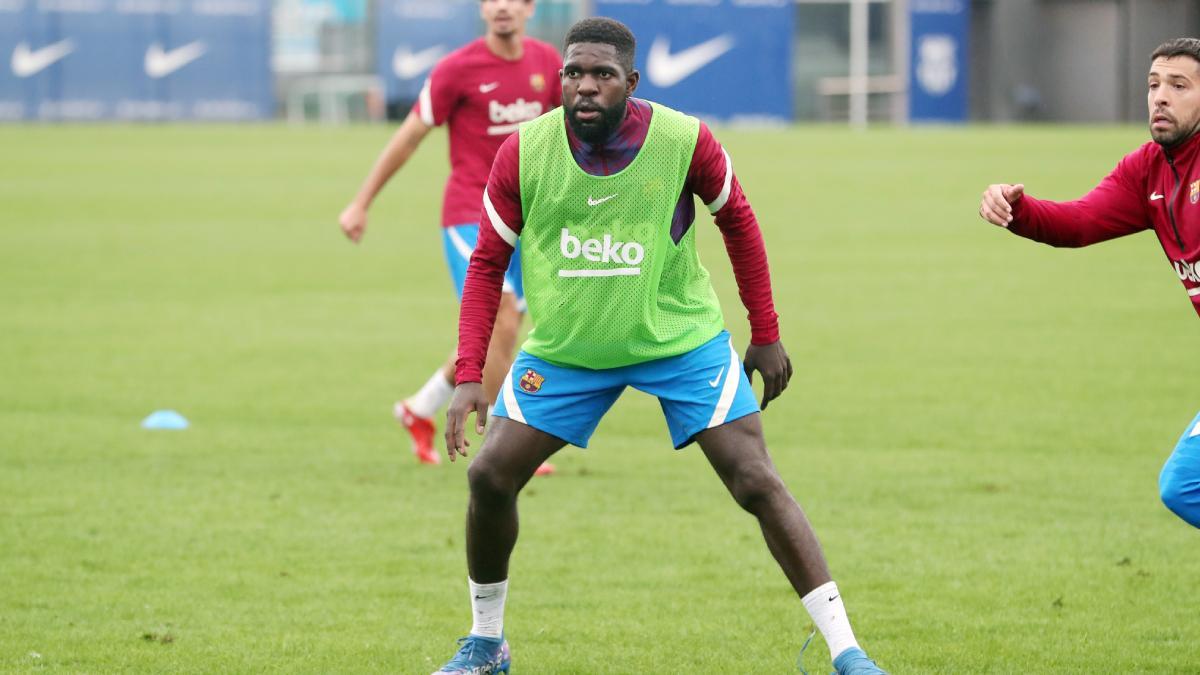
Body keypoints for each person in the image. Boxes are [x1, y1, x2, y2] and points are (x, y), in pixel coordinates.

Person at [431, 17, 887, 675]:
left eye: (602, 75)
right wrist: (470, 371)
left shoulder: (683, 139)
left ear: (631, 82)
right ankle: (485, 642)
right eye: (574, 74)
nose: (585, 88)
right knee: (488, 475)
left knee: (755, 478)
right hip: (569, 346)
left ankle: (848, 652)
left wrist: (765, 331)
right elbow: (485, 263)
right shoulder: (525, 151)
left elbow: (740, 222)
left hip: (678, 338)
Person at [978, 37, 1200, 529]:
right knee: (1184, 485)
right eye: (1153, 84)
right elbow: (1078, 222)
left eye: (1179, 86)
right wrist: (1019, 210)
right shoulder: (1146, 172)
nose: (1160, 96)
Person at [338, 0, 559, 474]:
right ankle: (509, 443)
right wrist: (361, 201)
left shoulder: (547, 65)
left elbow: (573, 137)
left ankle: (418, 408)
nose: (502, 7)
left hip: (529, 219)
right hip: (471, 216)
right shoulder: (456, 70)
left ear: (528, 8)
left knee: (496, 337)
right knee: (498, 319)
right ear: (482, 8)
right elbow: (409, 136)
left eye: (512, 0)